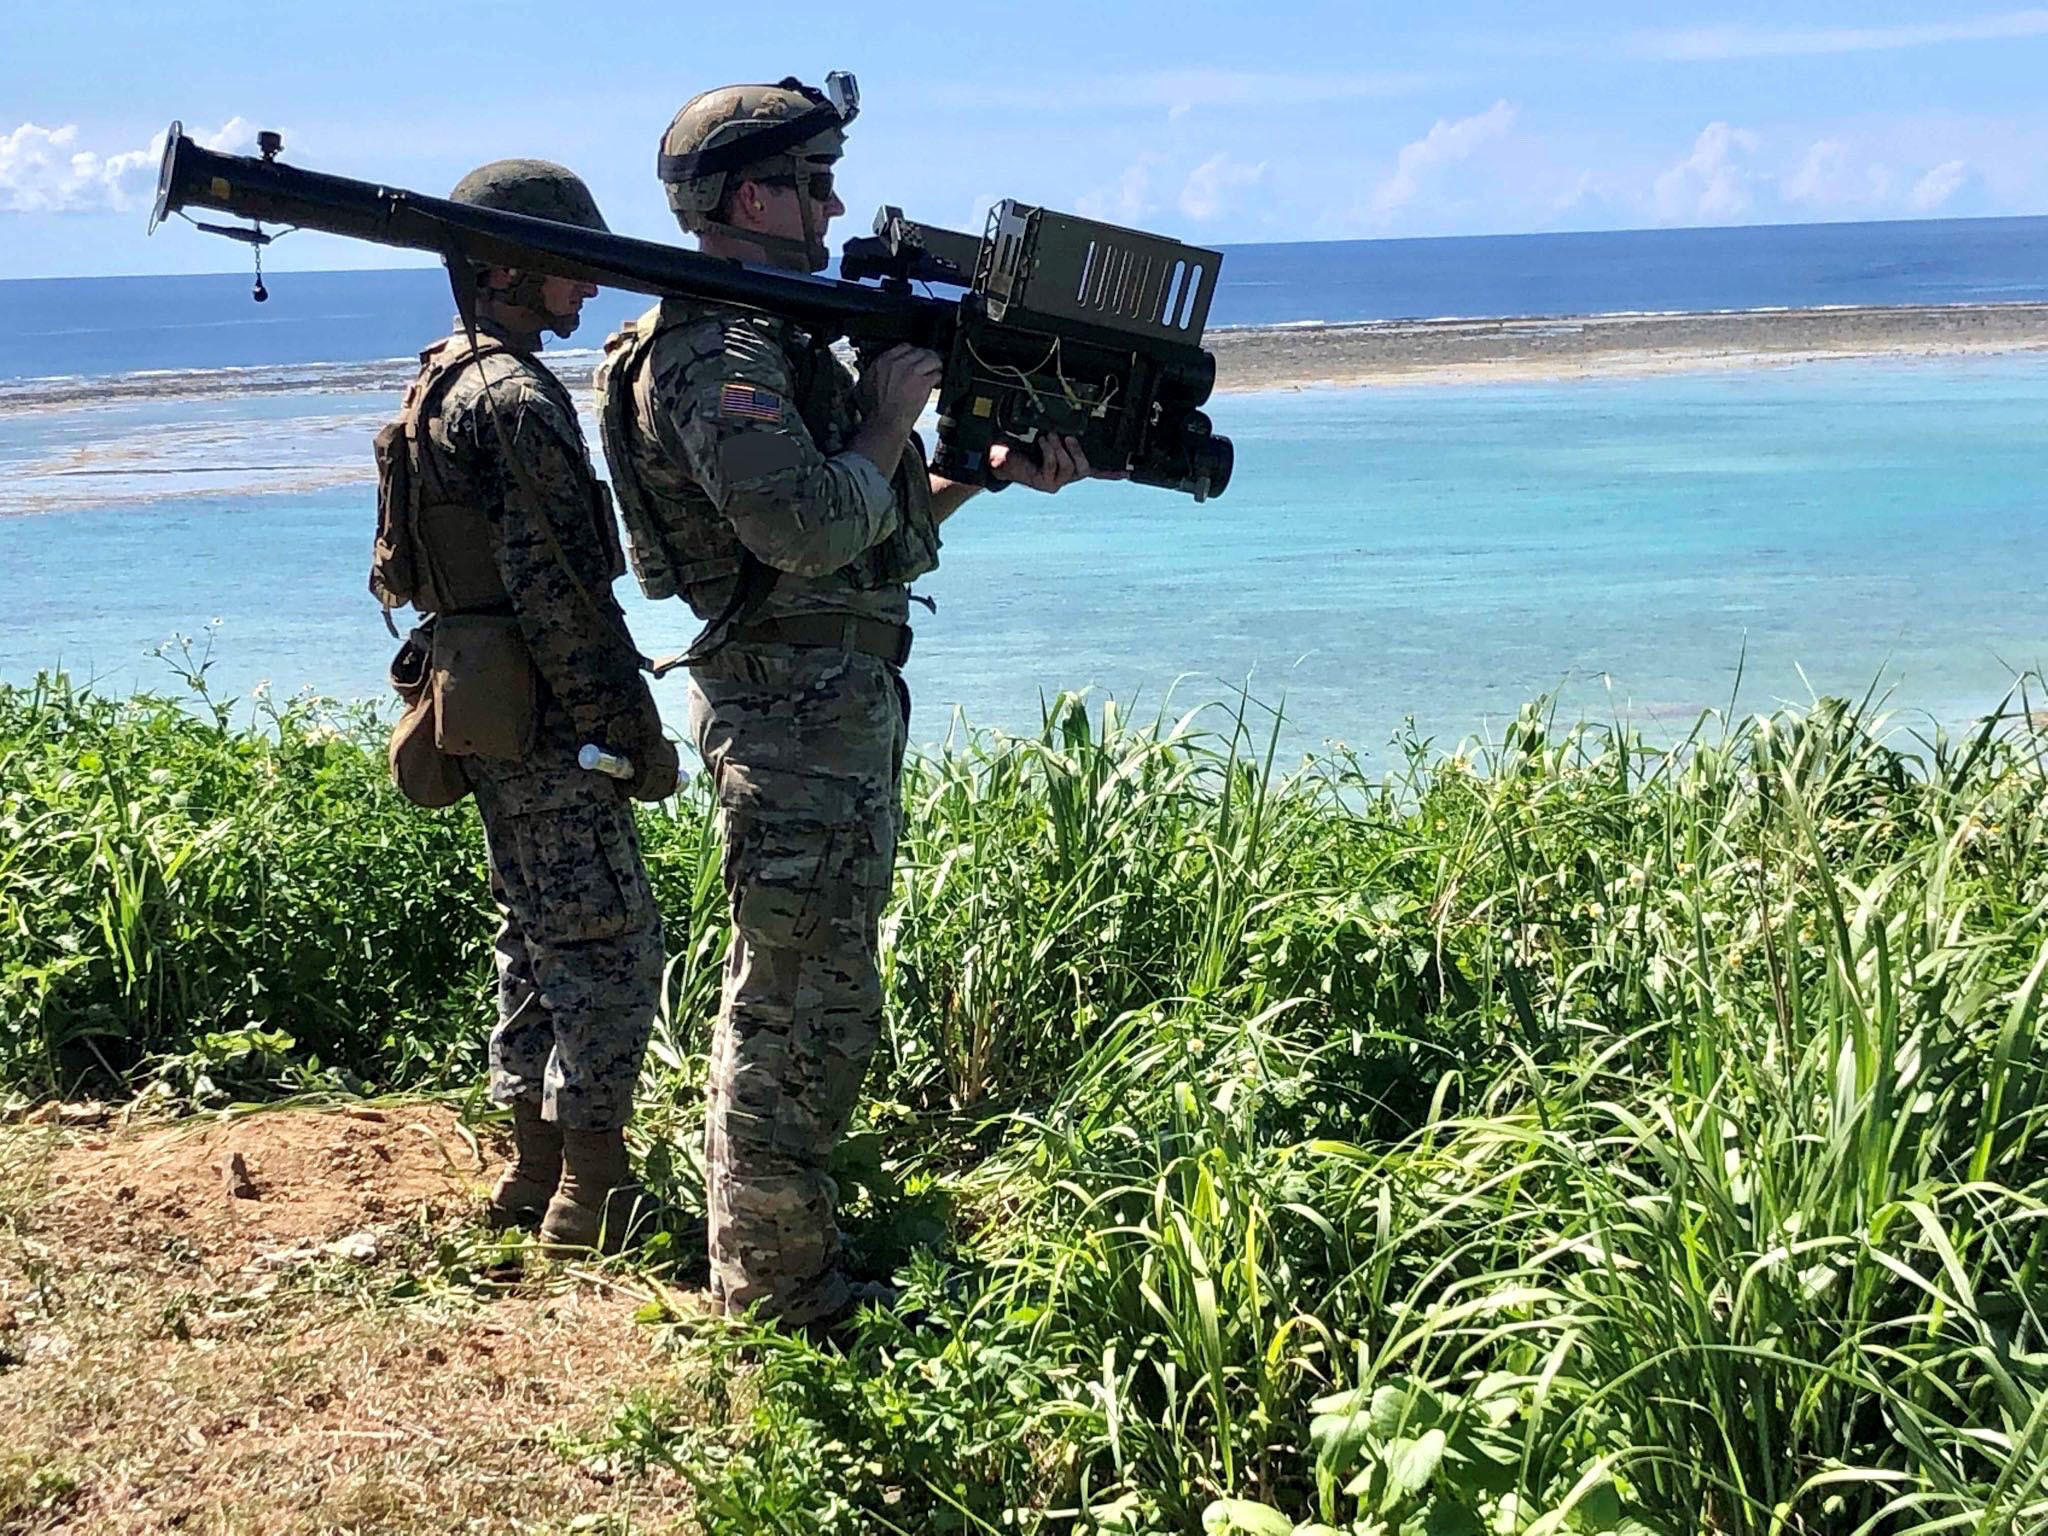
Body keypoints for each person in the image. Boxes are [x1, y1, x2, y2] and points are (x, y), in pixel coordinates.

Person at [593, 74, 1104, 1327]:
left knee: (820, 986)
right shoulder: (716, 349)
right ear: (748, 196)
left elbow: (867, 529)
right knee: (792, 997)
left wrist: (973, 475)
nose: (831, 211)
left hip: (825, 694)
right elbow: (809, 527)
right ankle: (773, 1285)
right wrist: (888, 417)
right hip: (788, 706)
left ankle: (783, 1246)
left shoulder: (768, 334)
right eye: (811, 186)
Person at [375, 159, 678, 1251]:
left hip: (483, 706)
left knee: (536, 935)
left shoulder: (443, 380)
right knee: (604, 943)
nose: (585, 289)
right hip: (545, 714)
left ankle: (534, 1176)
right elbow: (559, 590)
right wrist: (626, 734)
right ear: (508, 268)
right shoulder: (509, 399)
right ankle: (589, 1198)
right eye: (566, 268)